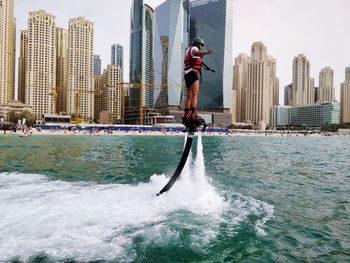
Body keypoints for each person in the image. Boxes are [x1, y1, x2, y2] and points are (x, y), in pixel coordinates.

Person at [183, 37, 213, 123]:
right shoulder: (194, 48)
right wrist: (207, 52)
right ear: (197, 43)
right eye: (201, 45)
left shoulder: (188, 50)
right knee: (195, 94)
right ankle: (193, 114)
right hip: (192, 73)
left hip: (187, 74)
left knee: (189, 97)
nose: (201, 47)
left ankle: (186, 114)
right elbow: (195, 53)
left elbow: (187, 59)